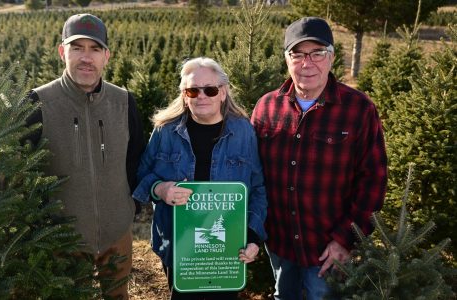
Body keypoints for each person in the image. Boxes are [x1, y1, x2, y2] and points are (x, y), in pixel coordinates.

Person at [251, 17, 387, 300]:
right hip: (280, 242)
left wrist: (345, 240)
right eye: (297, 54)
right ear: (287, 58)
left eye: (317, 53)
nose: (306, 63)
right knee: (283, 295)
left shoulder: (359, 109)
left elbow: (373, 182)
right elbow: (252, 173)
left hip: (327, 248)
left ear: (332, 57)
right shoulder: (266, 106)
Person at [25, 14, 144, 300]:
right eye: (77, 48)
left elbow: (137, 159)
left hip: (117, 234)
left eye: (95, 49)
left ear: (107, 56)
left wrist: (131, 209)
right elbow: (23, 172)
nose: (86, 58)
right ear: (62, 51)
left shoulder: (124, 102)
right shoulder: (38, 103)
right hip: (62, 239)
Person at [132, 57, 267, 300]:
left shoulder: (243, 132)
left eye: (210, 89)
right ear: (185, 95)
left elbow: (257, 188)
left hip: (226, 249)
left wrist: (253, 237)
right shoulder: (165, 131)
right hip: (178, 245)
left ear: (223, 93)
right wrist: (160, 189)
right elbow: (142, 174)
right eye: (193, 90)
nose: (201, 96)